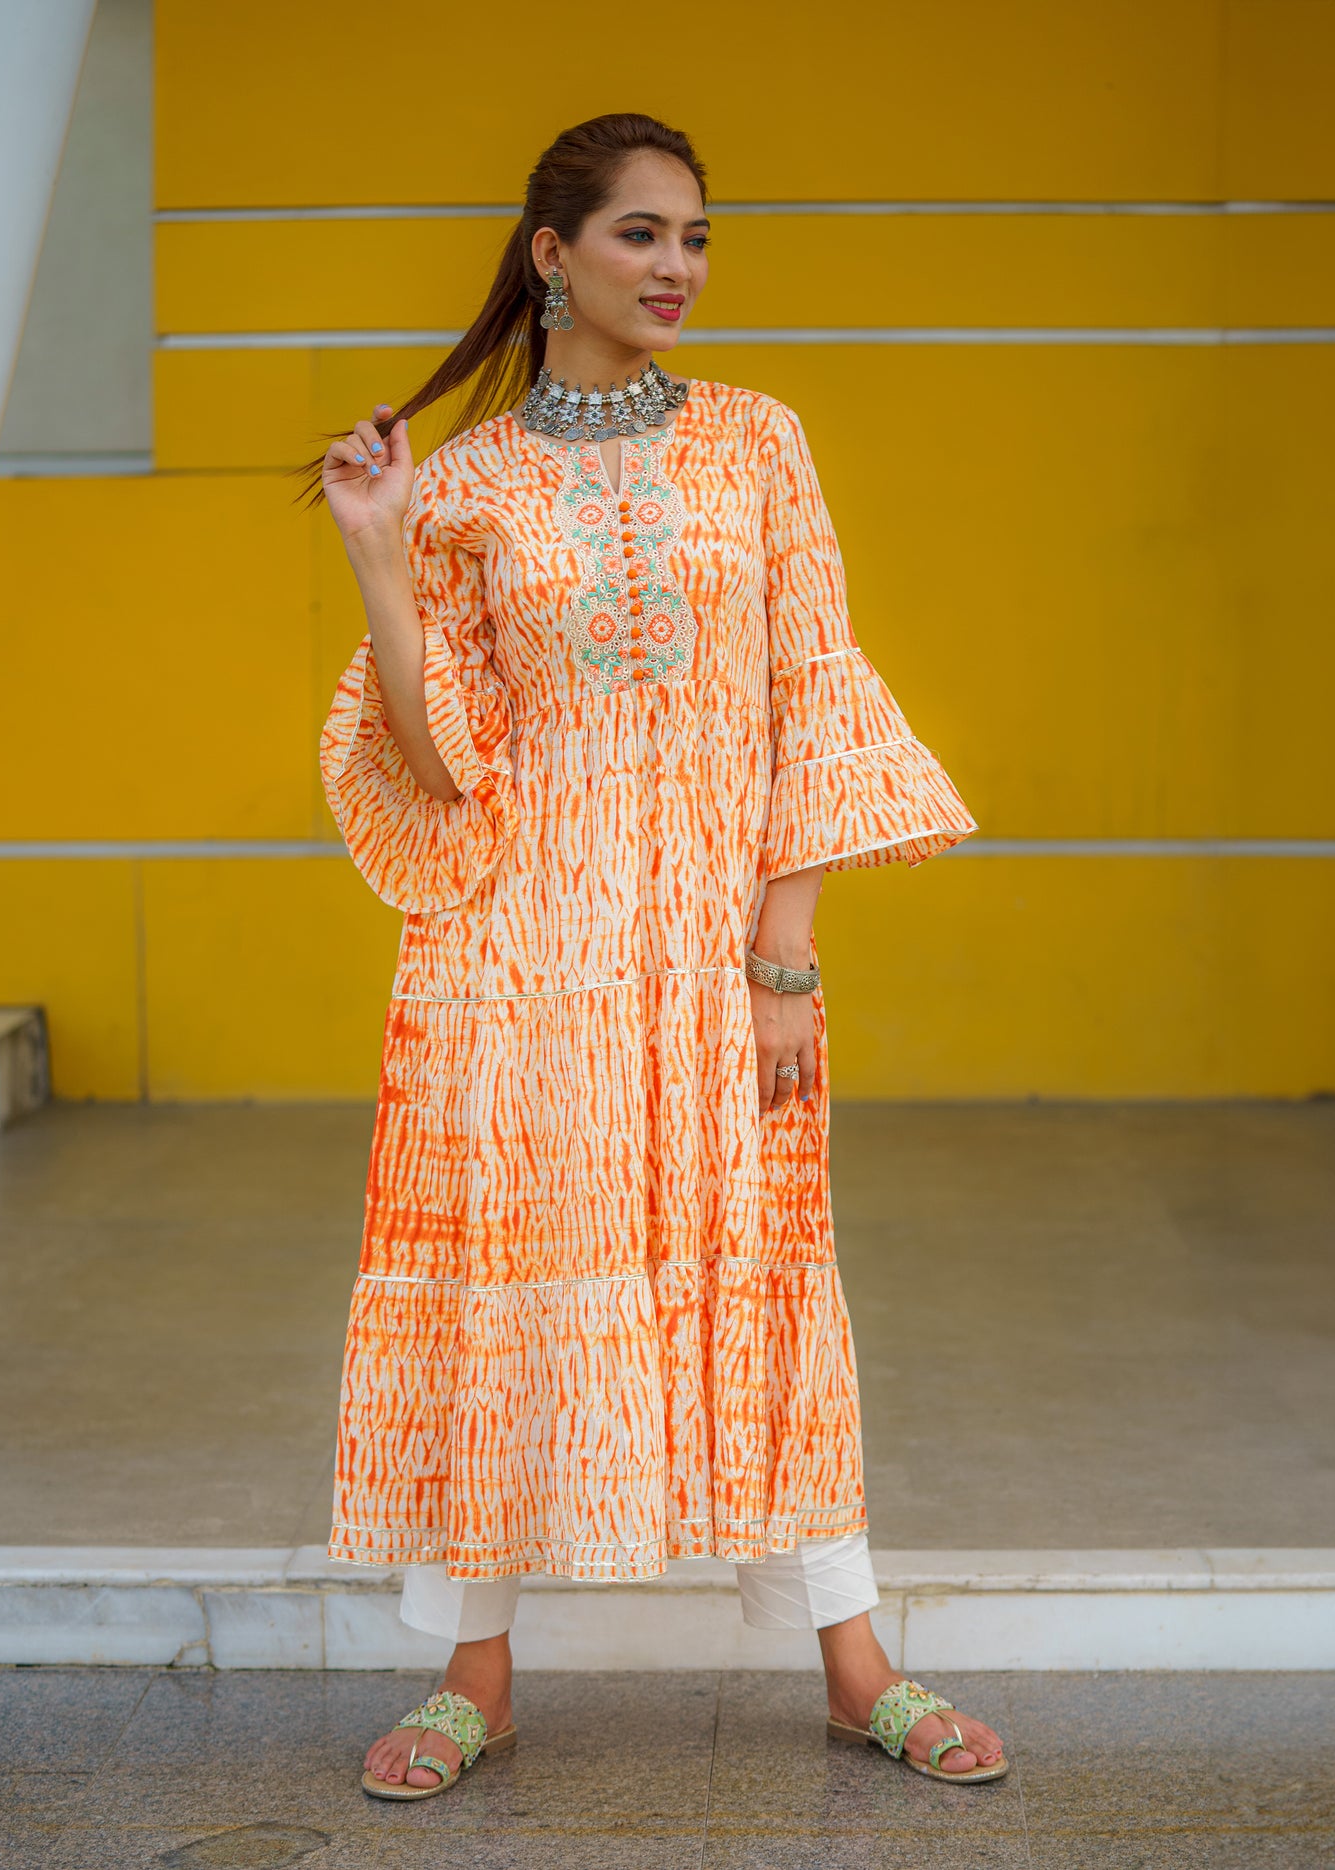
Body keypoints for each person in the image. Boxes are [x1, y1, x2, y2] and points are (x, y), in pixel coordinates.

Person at [297, 112, 1006, 1800]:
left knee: (766, 1277)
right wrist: (382, 555)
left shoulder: (758, 442)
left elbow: (813, 696)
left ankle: (856, 1665)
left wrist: (785, 953)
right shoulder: (466, 483)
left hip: (711, 956)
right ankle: (475, 1676)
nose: (675, 267)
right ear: (552, 257)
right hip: (517, 958)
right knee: (505, 1285)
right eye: (639, 235)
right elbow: (432, 746)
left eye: (693, 237)